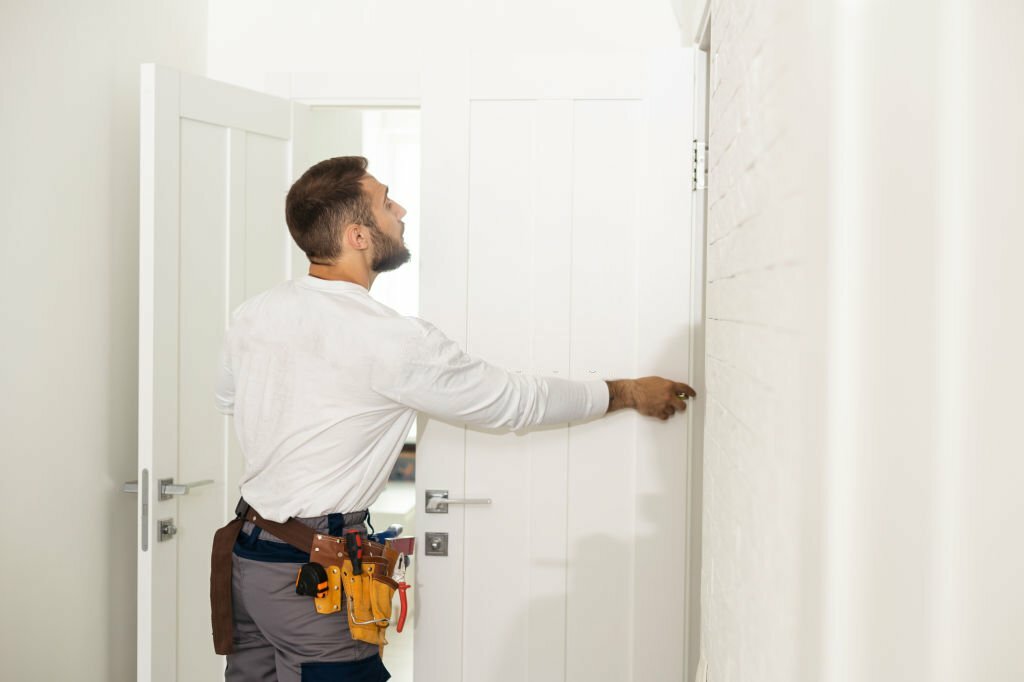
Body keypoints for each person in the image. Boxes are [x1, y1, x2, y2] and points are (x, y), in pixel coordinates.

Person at [212, 156, 696, 682]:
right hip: (309, 580)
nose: (401, 211)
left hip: (250, 563)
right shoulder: (390, 340)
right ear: (357, 235)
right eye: (386, 202)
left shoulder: (255, 313)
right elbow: (515, 401)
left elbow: (229, 400)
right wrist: (624, 391)